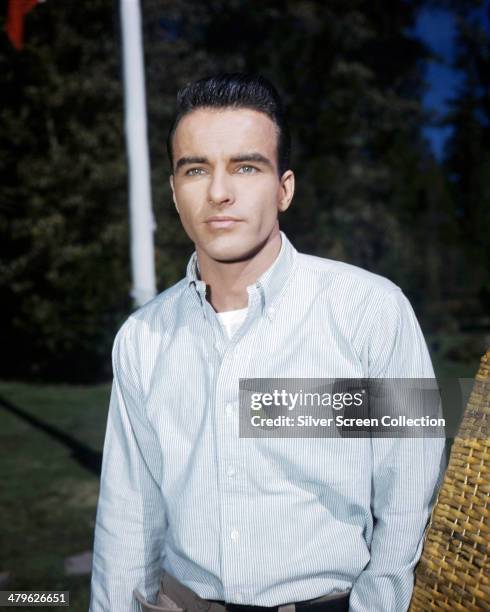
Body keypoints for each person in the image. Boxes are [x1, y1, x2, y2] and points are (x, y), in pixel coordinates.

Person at [89, 73, 446, 612]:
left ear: (285, 188)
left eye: (246, 166)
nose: (218, 192)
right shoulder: (141, 338)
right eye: (196, 169)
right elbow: (127, 516)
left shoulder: (373, 311)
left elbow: (407, 497)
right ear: (174, 192)